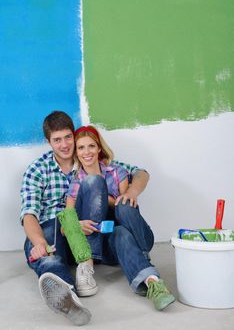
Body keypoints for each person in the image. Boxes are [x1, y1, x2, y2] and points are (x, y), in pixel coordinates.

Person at [20, 111, 153, 326]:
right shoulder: (38, 170)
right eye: (57, 140)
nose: (64, 145)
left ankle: (86, 266)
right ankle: (68, 297)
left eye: (67, 137)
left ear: (74, 136)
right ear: (48, 142)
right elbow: (29, 214)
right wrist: (40, 243)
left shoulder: (89, 156)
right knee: (48, 255)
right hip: (57, 229)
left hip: (93, 234)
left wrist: (131, 192)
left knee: (93, 183)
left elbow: (141, 173)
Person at [65, 125, 175, 311]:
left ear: (99, 148)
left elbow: (123, 210)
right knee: (120, 232)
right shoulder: (77, 183)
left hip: (137, 234)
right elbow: (66, 222)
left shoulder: (116, 172)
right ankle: (153, 283)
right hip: (108, 244)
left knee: (123, 208)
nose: (87, 152)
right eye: (81, 148)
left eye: (91, 146)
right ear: (76, 152)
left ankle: (142, 259)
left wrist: (108, 196)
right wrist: (78, 223)